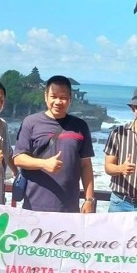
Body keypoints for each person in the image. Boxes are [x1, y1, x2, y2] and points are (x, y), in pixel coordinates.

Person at [13, 75, 95, 213]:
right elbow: (18, 158)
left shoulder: (80, 126)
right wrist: (44, 164)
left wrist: (89, 199)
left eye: (63, 97)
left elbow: (86, 165)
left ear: (70, 99)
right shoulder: (30, 122)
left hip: (68, 206)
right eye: (53, 96)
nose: (58, 102)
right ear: (46, 97)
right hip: (34, 205)